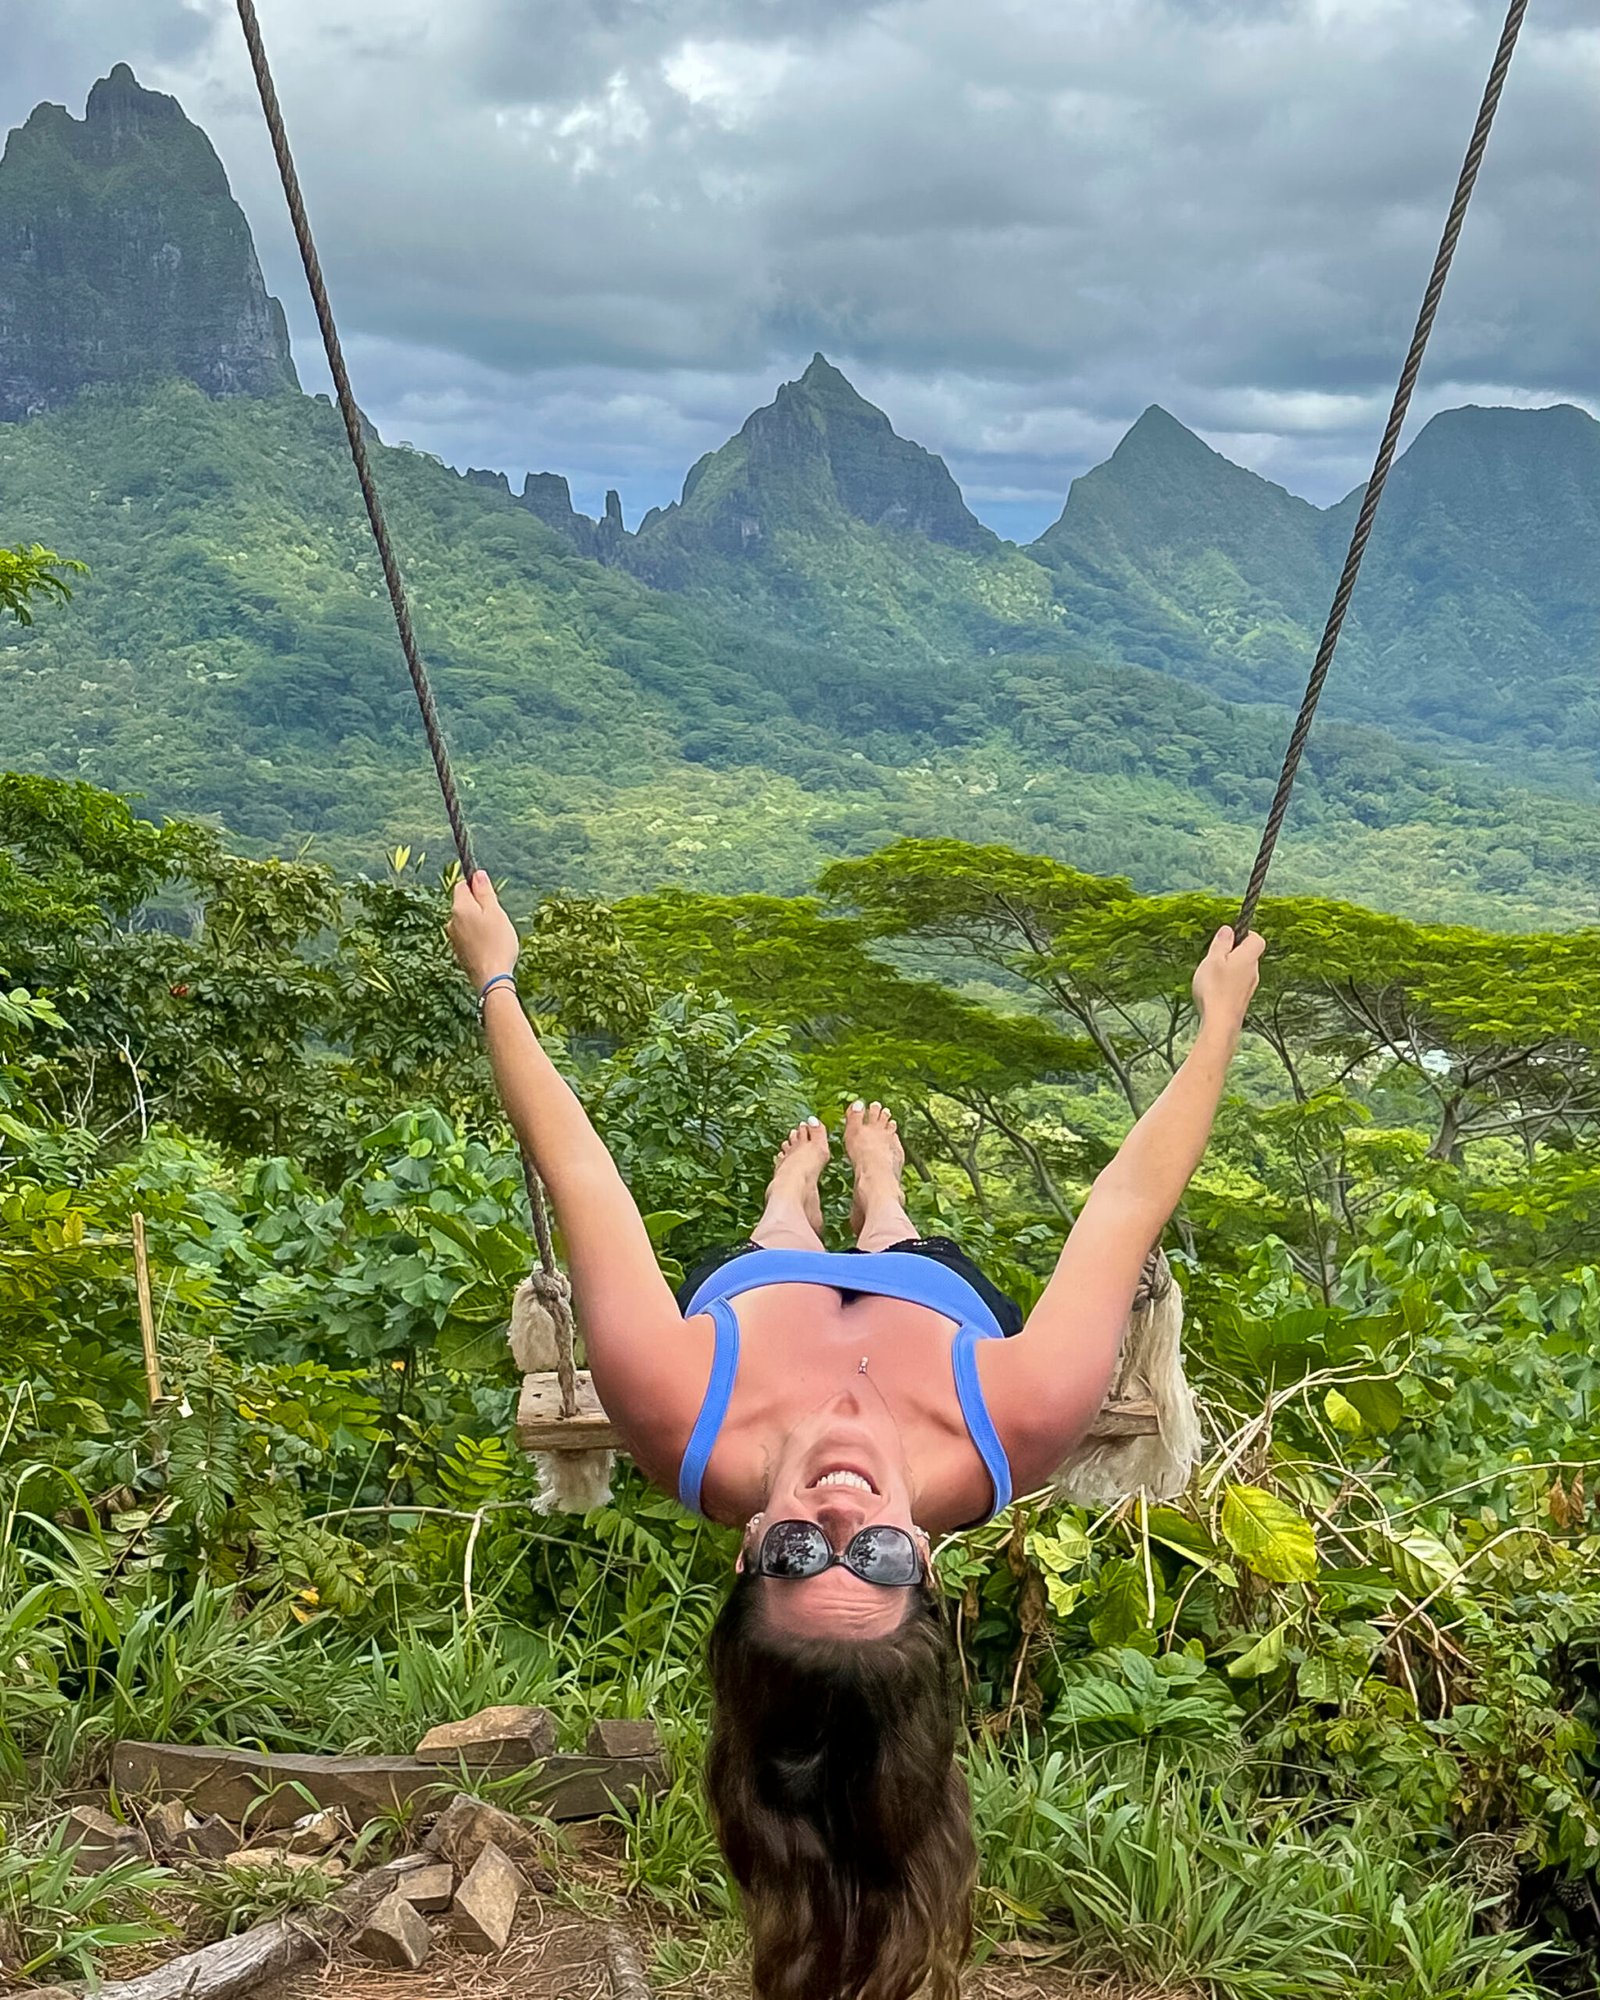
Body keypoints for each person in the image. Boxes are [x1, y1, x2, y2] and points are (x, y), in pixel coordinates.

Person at [448, 872, 1264, 2000]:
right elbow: (1127, 1205)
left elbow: (579, 1166)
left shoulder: (675, 1407)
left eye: (795, 1556)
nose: (839, 1517)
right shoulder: (1017, 1416)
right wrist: (1219, 1017)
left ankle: (795, 1195)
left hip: (759, 1295)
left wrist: (493, 970)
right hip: (935, 1304)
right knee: (902, 1244)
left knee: (775, 1235)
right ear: (923, 1557)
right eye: (874, 1557)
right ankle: (881, 1197)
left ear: (746, 1551)